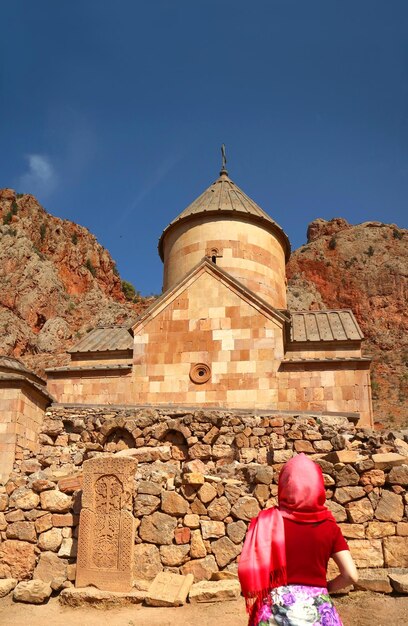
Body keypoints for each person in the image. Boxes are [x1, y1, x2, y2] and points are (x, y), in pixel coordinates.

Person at [238, 453, 358, 626]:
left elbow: (249, 570)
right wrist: (324, 588)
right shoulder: (329, 526)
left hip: (273, 612)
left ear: (284, 485)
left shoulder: (267, 522)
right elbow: (351, 575)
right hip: (317, 611)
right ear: (318, 485)